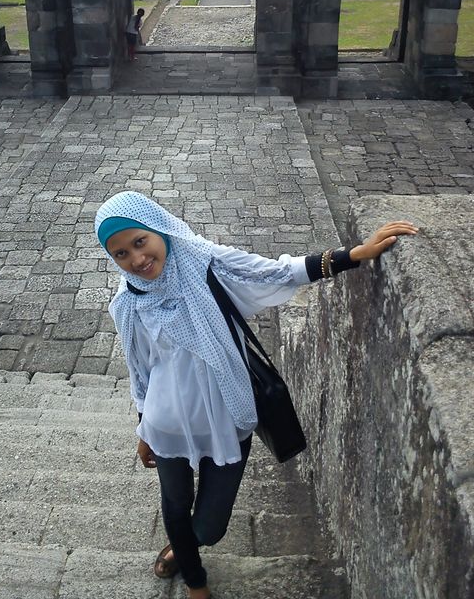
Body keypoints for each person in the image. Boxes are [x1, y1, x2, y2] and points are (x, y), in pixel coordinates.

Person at [94, 191, 418, 599]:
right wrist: (143, 427)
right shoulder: (127, 305)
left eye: (140, 242)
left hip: (230, 415)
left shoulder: (206, 263)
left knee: (211, 525)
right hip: (168, 424)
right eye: (121, 254)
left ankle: (189, 545)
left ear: (159, 229)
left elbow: (274, 273)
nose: (136, 259)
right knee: (175, 506)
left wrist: (352, 255)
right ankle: (194, 578)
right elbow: (139, 369)